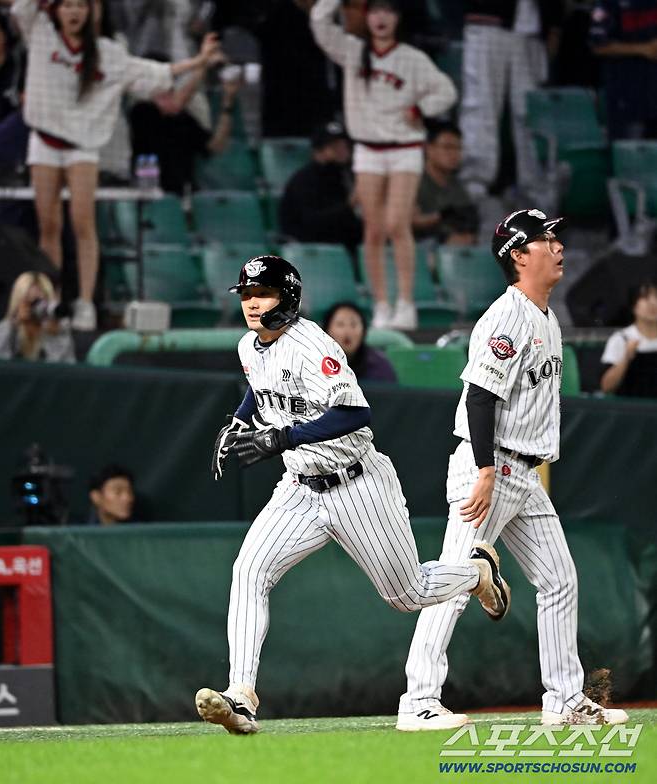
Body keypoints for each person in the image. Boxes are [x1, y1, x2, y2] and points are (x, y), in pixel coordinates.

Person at [194, 254, 510, 734]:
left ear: (287, 297)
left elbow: (354, 413)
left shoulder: (312, 345)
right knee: (249, 570)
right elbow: (259, 387)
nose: (253, 304)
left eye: (264, 294)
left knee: (408, 594)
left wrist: (280, 438)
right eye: (247, 295)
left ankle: (476, 572)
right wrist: (239, 421)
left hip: (357, 483)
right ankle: (241, 696)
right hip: (300, 488)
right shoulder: (248, 346)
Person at [397, 209, 630, 731]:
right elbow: (479, 397)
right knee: (455, 581)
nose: (559, 246)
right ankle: (418, 701)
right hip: (492, 465)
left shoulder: (545, 315)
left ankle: (565, 699)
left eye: (557, 237)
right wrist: (484, 470)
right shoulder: (507, 318)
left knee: (559, 579)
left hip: (523, 472)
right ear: (519, 256)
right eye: (547, 239)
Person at [9, 0, 222, 330]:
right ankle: (52, 300)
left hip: (82, 146)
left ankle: (84, 303)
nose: (74, 12)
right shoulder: (40, 33)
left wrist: (198, 61)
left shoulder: (108, 53)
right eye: (67, 5)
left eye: (80, 6)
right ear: (55, 9)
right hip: (44, 142)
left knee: (83, 223)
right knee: (48, 226)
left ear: (92, 11)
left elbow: (153, 73)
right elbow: (21, 9)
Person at [310, 0, 457, 330]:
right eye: (375, 12)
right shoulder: (352, 51)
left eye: (388, 12)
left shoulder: (412, 58)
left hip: (405, 149)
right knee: (373, 230)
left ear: (397, 18)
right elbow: (319, 21)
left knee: (396, 224)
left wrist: (421, 109)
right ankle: (381, 305)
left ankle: (405, 303)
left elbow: (446, 91)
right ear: (366, 17)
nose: (381, 19)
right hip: (367, 150)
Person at [458, 1, 564, 201]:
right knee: (481, 105)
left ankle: (536, 186)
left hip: (532, 30)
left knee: (531, 110)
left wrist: (554, 26)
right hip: (487, 22)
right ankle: (473, 184)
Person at [130, 60, 240, 195]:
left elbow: (215, 145)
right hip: (152, 192)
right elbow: (177, 103)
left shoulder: (183, 119)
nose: (169, 94)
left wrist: (228, 103)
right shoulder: (141, 112)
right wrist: (203, 64)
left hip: (186, 193)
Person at [278, 119, 362, 254]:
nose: (343, 150)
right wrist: (350, 205)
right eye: (335, 147)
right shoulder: (305, 180)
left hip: (343, 244)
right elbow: (311, 222)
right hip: (311, 248)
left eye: (344, 145)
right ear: (318, 151)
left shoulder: (344, 175)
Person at [589, 0, 657, 140]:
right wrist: (643, 49)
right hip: (625, 95)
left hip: (652, 90)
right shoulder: (606, 4)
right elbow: (598, 46)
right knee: (628, 149)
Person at [413, 121, 479, 246]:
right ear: (429, 149)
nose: (454, 154)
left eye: (458, 148)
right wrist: (441, 217)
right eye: (447, 147)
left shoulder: (458, 187)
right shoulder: (413, 180)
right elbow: (408, 222)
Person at [0, 270, 75, 361]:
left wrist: (54, 335)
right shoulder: (7, 328)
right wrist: (14, 325)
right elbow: (2, 358)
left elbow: (65, 366)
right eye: (33, 303)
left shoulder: (59, 330)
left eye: (42, 302)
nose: (38, 308)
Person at [600, 280, 657, 398]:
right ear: (634, 306)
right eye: (645, 297)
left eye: (656, 297)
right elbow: (606, 387)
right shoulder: (621, 339)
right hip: (632, 407)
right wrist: (626, 358)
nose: (653, 303)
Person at [322, 300, 396, 382]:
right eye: (340, 324)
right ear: (327, 330)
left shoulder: (379, 365)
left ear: (364, 331)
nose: (347, 331)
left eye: (353, 324)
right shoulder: (316, 362)